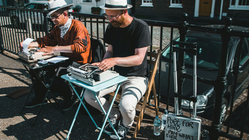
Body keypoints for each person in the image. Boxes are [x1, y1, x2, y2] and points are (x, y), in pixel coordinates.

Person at [84, 0, 151, 139]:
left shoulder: (140, 27)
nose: (109, 19)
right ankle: (113, 115)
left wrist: (114, 60)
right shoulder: (112, 27)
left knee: (126, 106)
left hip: (137, 76)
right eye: (107, 16)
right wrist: (103, 63)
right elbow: (110, 51)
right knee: (89, 95)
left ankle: (126, 125)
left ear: (124, 12)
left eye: (113, 16)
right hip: (115, 74)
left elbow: (139, 58)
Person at [20, 0, 91, 111]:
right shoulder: (57, 29)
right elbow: (47, 40)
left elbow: (80, 47)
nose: (53, 21)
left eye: (55, 17)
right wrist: (29, 44)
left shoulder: (78, 25)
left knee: (54, 74)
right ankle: (40, 96)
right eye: (51, 18)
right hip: (65, 59)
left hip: (79, 62)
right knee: (36, 70)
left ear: (65, 14)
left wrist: (54, 49)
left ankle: (70, 95)